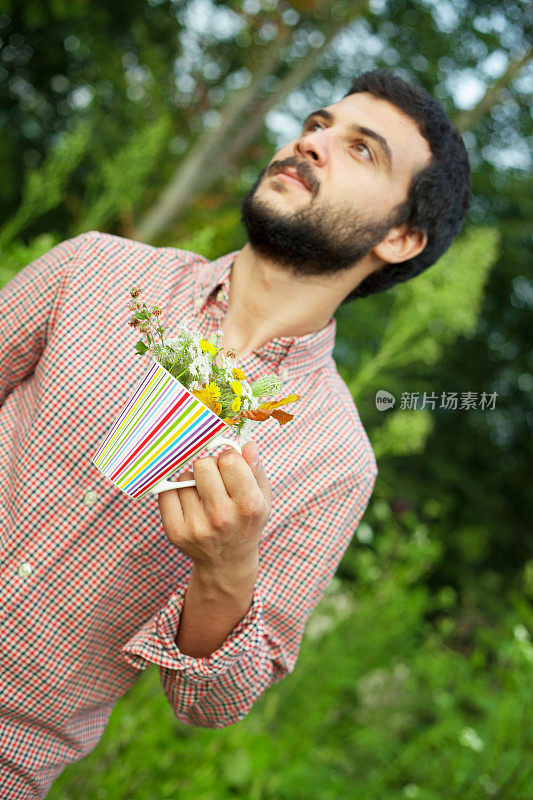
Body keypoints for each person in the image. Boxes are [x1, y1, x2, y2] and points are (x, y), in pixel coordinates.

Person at [0, 68, 470, 798]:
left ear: (402, 237)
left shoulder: (334, 461)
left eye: (360, 150)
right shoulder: (95, 270)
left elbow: (212, 704)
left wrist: (224, 571)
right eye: (317, 124)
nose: (312, 142)